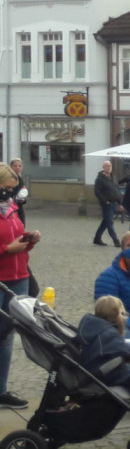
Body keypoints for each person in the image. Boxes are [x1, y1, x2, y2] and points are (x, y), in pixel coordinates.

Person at [0, 171, 37, 410]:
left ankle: (0, 391)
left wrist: (29, 240)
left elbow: (17, 241)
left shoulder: (11, 207)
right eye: (7, 188)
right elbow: (7, 245)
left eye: (13, 188)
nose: (11, 193)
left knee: (6, 337)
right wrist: (6, 249)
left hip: (19, 276)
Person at [94, 230, 130, 339]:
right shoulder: (108, 277)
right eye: (129, 245)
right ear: (122, 249)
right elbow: (107, 312)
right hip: (123, 326)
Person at [93, 160, 121, 247]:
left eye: (109, 166)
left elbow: (116, 190)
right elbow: (97, 192)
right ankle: (116, 240)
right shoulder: (100, 179)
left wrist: (120, 203)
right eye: (106, 166)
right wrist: (105, 201)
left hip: (114, 203)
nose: (108, 168)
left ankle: (97, 238)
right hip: (106, 204)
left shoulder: (113, 178)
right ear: (103, 167)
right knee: (110, 222)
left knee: (105, 222)